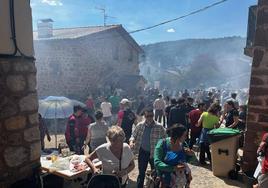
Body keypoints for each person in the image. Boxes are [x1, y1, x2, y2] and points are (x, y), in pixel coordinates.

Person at [129, 108, 166, 188]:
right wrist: (131, 142)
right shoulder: (140, 125)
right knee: (141, 173)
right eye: (147, 116)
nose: (149, 118)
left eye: (151, 116)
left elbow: (165, 139)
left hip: (155, 153)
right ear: (144, 116)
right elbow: (133, 135)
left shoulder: (159, 126)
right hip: (143, 152)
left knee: (156, 173)